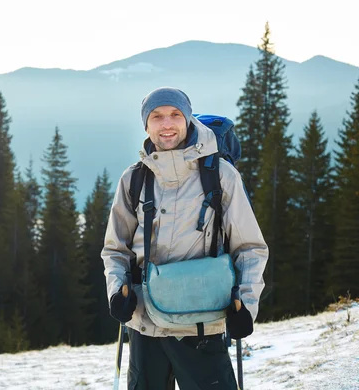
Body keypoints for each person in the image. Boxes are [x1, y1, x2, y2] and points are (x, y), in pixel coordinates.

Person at [101, 87, 269, 390]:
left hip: (202, 324)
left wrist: (246, 306)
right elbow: (115, 249)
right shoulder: (134, 179)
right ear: (146, 125)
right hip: (145, 325)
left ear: (188, 119)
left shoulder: (222, 175)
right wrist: (116, 292)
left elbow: (250, 249)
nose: (167, 124)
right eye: (157, 116)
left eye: (175, 115)